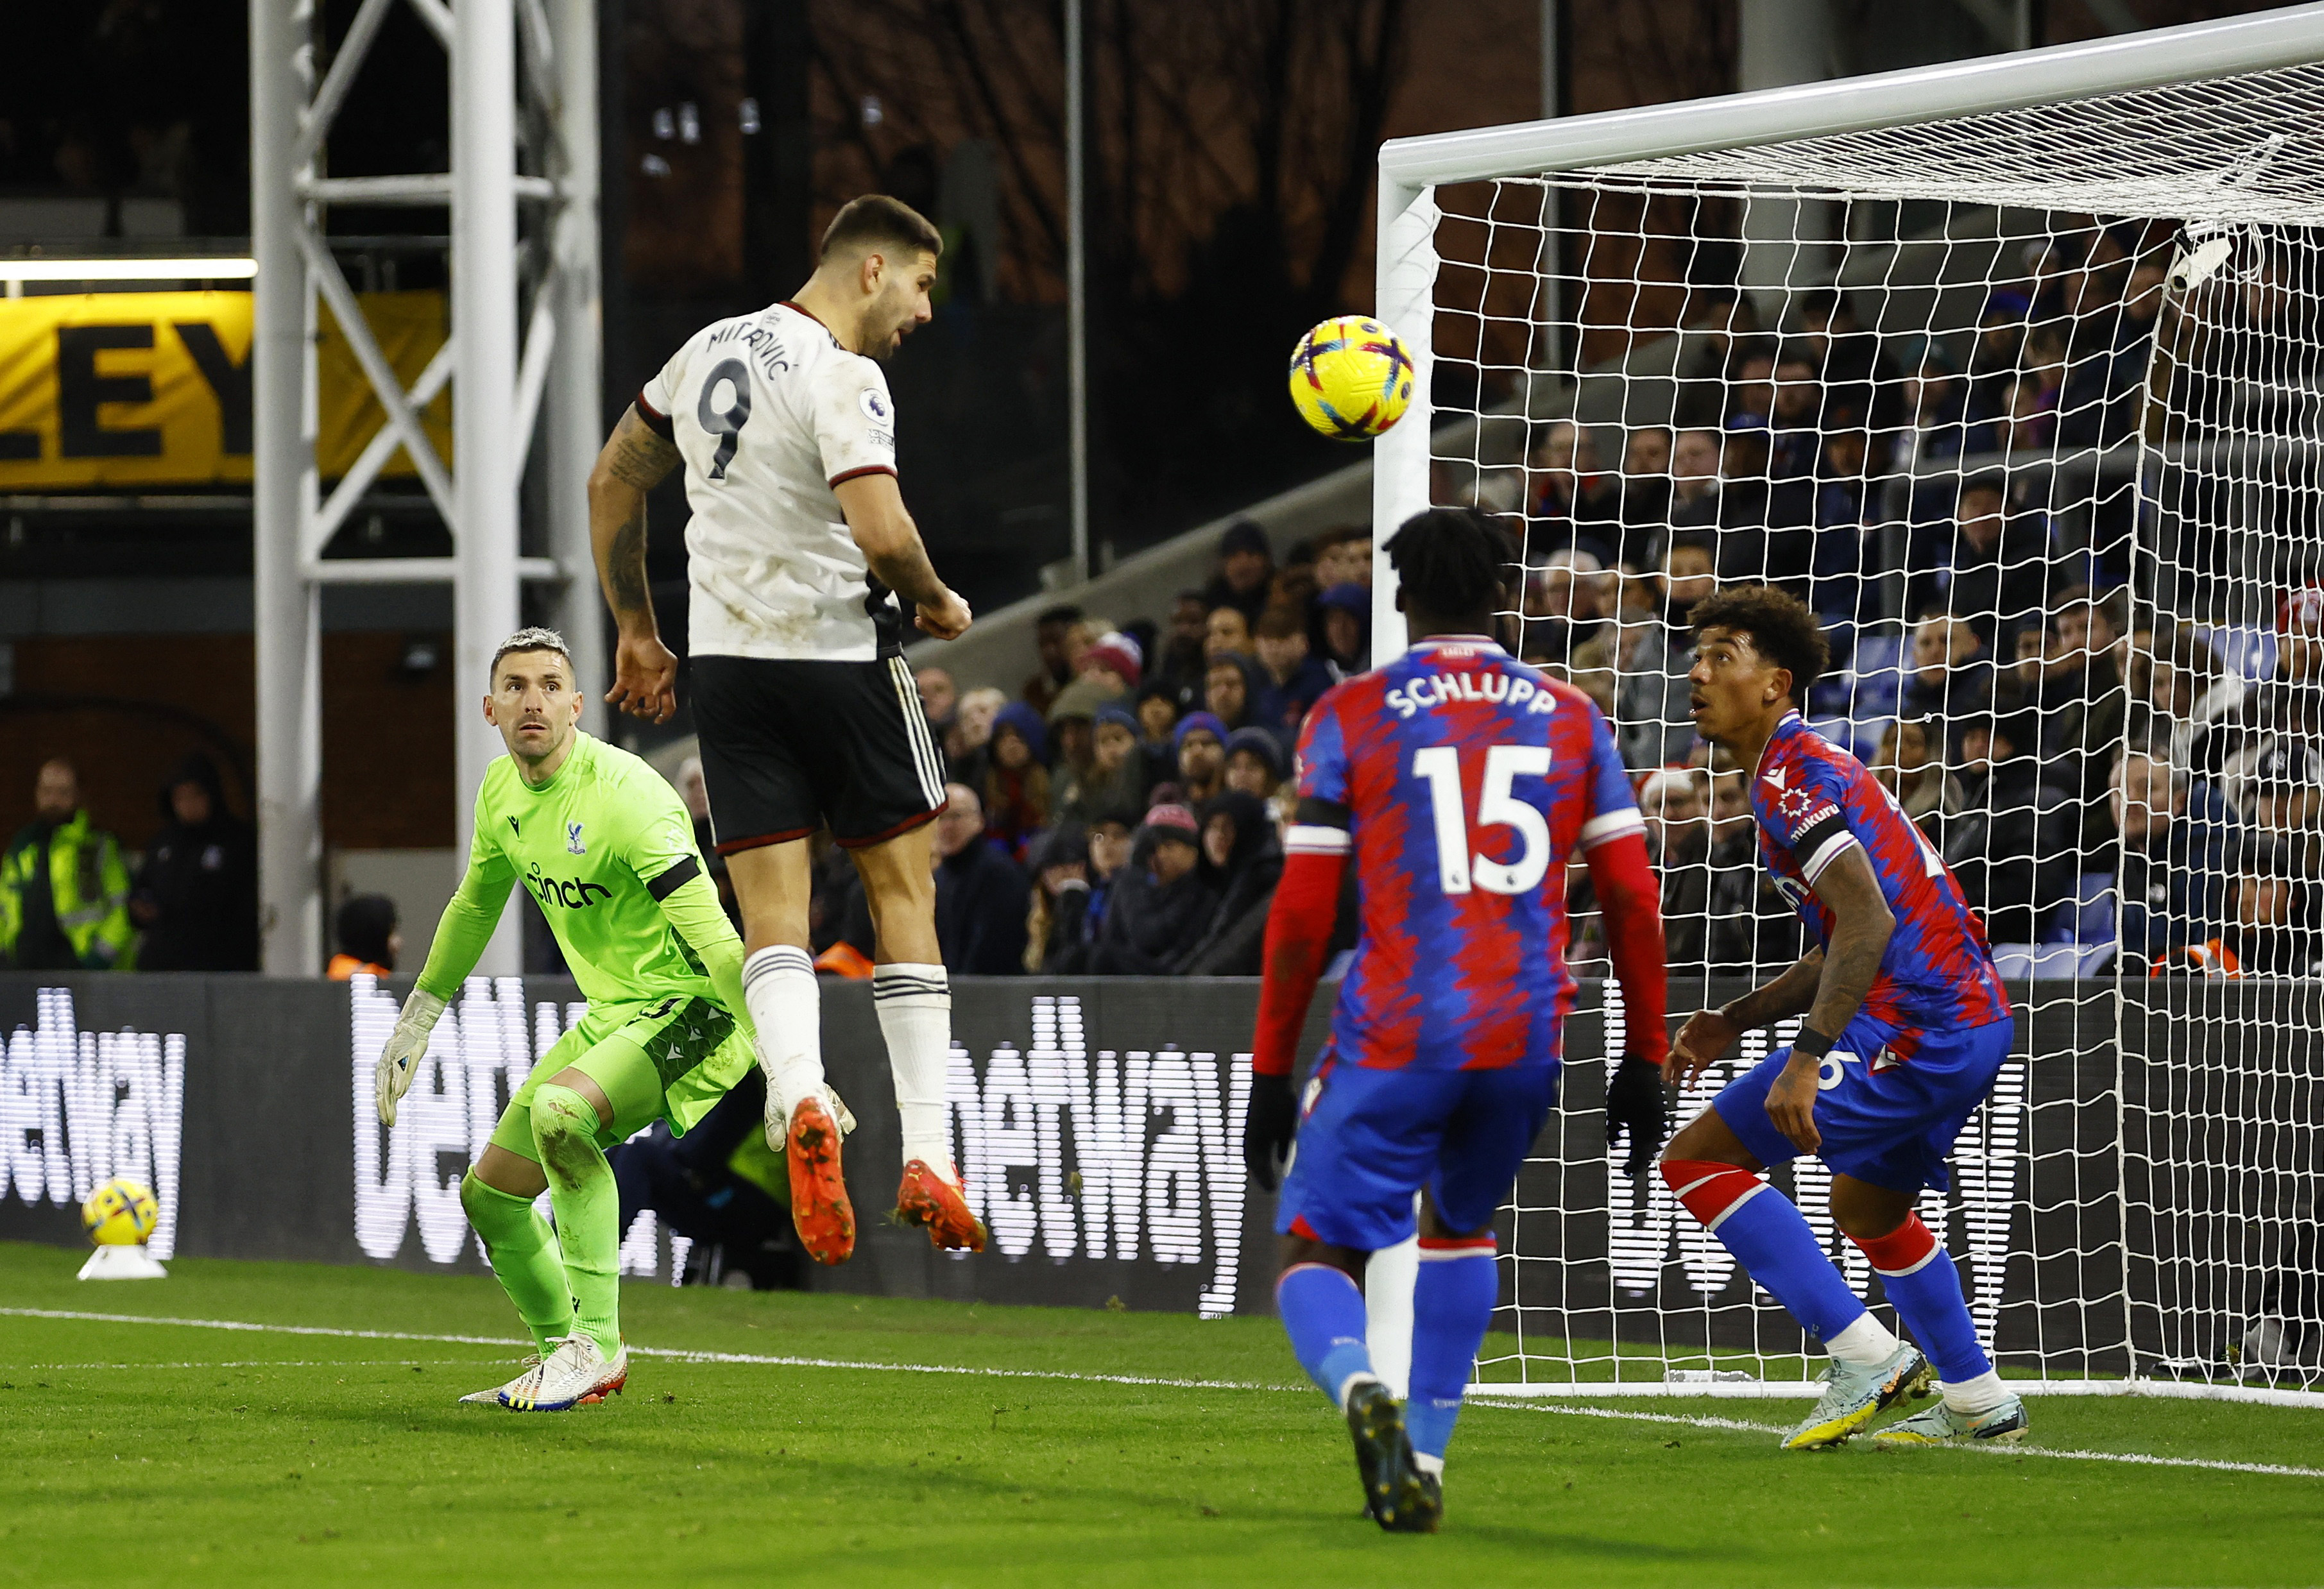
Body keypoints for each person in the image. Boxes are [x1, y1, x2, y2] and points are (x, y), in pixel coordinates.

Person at [1242, 507, 1669, 1533]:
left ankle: (1362, 1393)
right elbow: (1631, 899)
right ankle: (1425, 1458)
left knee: (1313, 1253)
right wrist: (1645, 1056)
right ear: (1503, 596)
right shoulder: (1573, 716)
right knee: (1462, 1228)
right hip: (1525, 1031)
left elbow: (1303, 916)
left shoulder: (1349, 713)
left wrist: (1268, 1066)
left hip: (1398, 1031)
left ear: (1398, 597)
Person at [583, 192, 981, 1266]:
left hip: (730, 670)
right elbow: (879, 525)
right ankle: (929, 1153)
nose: (923, 311)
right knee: (903, 891)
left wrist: (636, 630)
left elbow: (614, 479)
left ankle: (797, 1094)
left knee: (774, 912)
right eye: (921, 283)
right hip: (842, 661)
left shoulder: (704, 349)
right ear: (869, 271)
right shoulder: (845, 375)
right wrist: (934, 597)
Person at [1661, 584, 2025, 1452]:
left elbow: (1867, 923)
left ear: (1777, 682)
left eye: (1722, 658)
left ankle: (1863, 1355)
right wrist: (1737, 1019)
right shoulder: (1790, 774)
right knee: (1866, 1207)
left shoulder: (1795, 777)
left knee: (1699, 1159)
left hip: (1920, 1025)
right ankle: (1978, 1401)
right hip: (1960, 1019)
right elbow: (1838, 942)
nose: (1697, 675)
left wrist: (1803, 1057)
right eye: (1695, 658)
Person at [371, 629, 773, 1410]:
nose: (534, 700)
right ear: (490, 708)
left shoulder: (627, 796)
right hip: (616, 1014)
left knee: (562, 1114)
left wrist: (786, 1058)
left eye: (551, 684)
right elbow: (474, 904)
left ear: (577, 704)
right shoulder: (500, 792)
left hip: (697, 1009)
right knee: (489, 1195)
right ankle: (564, 1356)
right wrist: (418, 1015)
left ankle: (598, 1342)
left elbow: (718, 940)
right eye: (517, 685)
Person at [0, 758, 133, 972]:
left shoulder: (98, 846)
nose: (53, 800)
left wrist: (98, 958)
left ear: (78, 795)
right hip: (24, 968)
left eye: (63, 792)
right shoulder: (22, 848)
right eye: (47, 791)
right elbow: (4, 906)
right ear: (37, 793)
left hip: (79, 968)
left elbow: (122, 908)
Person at [132, 752, 259, 971]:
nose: (188, 805)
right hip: (163, 964)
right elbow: (143, 887)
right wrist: (140, 908)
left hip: (218, 965)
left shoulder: (237, 841)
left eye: (195, 796)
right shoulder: (164, 843)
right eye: (180, 798)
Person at [1088, 805, 1215, 974]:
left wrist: (1134, 871)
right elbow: (1111, 940)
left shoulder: (1203, 894)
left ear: (1193, 851)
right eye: (1153, 849)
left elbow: (1149, 939)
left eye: (1169, 846)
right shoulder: (1140, 889)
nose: (1160, 855)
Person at [930, 783, 1030, 975]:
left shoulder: (1000, 873)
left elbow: (993, 951)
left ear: (979, 820)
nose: (947, 826)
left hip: (989, 995)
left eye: (956, 816)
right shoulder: (940, 877)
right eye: (940, 818)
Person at [1204, 520, 1276, 624]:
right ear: (1222, 565)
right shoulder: (1211, 606)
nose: (1243, 564)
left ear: (1266, 561)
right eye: (1234, 556)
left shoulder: (1282, 593)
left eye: (1251, 554)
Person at [329, 893, 400, 980]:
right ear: (374, 936)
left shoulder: (340, 968)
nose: (398, 943)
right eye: (391, 933)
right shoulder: (365, 980)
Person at [1173, 711, 1229, 807]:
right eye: (1189, 745)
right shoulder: (1171, 802)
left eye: (1206, 743)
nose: (1197, 751)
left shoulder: (1236, 808)